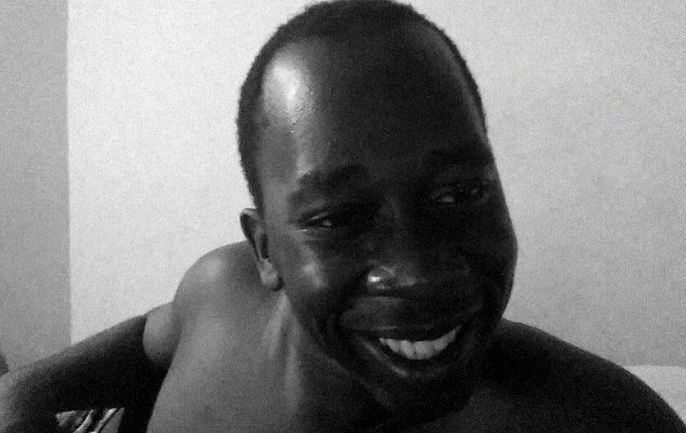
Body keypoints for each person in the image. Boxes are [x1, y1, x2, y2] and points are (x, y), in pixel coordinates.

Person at [1, 1, 684, 432]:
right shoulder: (218, 294)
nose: (417, 274)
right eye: (337, 218)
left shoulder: (597, 417)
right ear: (264, 249)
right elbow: (115, 357)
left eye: (460, 194)